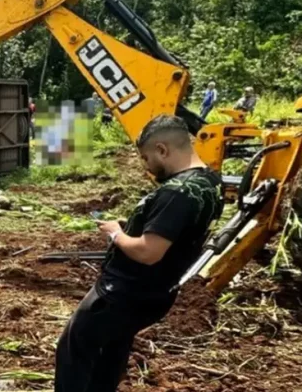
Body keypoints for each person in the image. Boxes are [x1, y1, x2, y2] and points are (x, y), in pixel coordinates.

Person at [54, 115, 224, 392]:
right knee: (110, 352)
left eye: (146, 158)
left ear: (162, 149)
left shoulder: (177, 193)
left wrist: (115, 233)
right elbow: (174, 234)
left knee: (74, 351)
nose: (147, 167)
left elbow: (148, 252)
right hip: (154, 293)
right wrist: (135, 226)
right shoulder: (210, 182)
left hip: (121, 293)